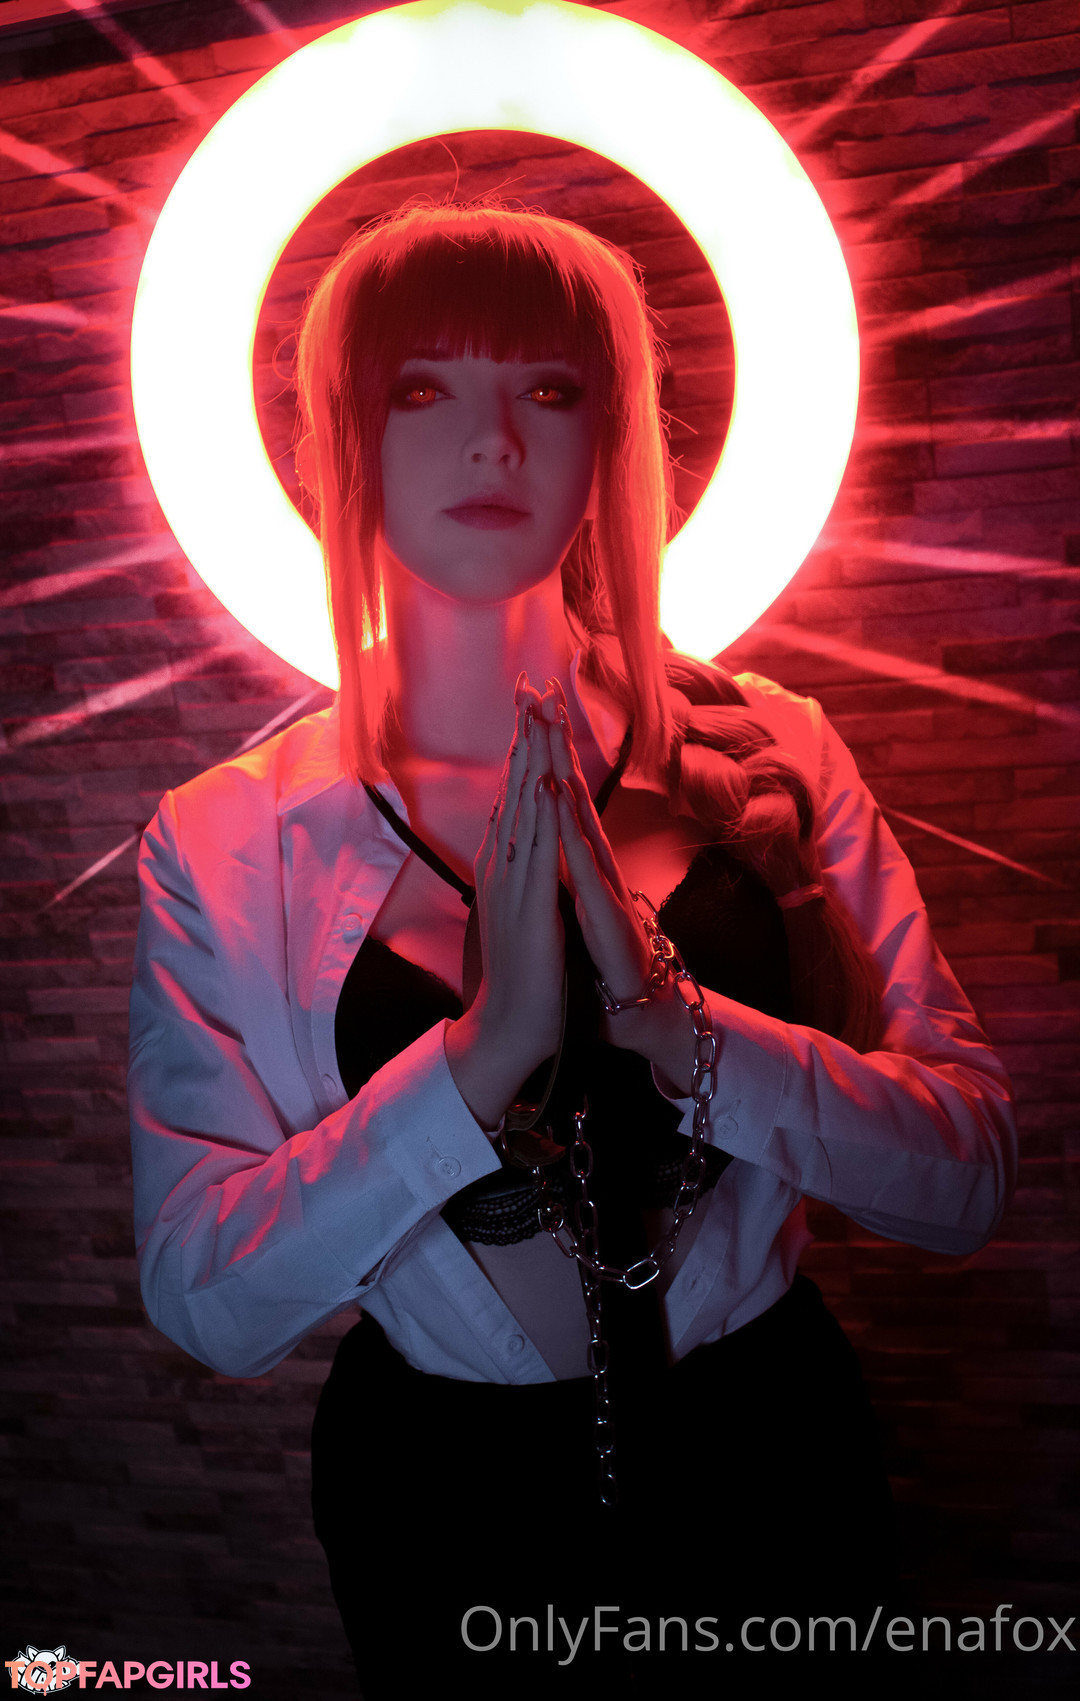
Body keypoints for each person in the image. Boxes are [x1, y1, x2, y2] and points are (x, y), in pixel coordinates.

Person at [128, 201, 1017, 1699]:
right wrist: (474, 1063)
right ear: (341, 436)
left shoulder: (780, 749)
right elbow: (207, 1292)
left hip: (771, 1459)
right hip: (444, 1501)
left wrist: (682, 1031)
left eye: (548, 387)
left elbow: (966, 1171)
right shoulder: (223, 837)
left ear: (610, 435)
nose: (493, 441)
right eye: (425, 387)